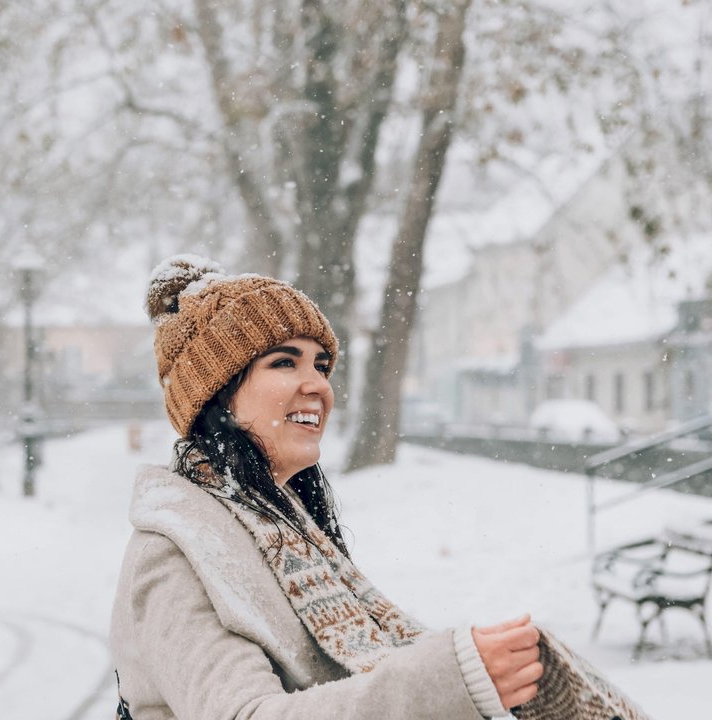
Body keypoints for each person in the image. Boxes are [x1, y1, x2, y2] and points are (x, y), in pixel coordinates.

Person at [110, 255, 649, 720]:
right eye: (283, 363)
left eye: (321, 365)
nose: (318, 385)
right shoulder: (174, 549)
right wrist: (452, 679)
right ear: (217, 396)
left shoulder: (283, 528)